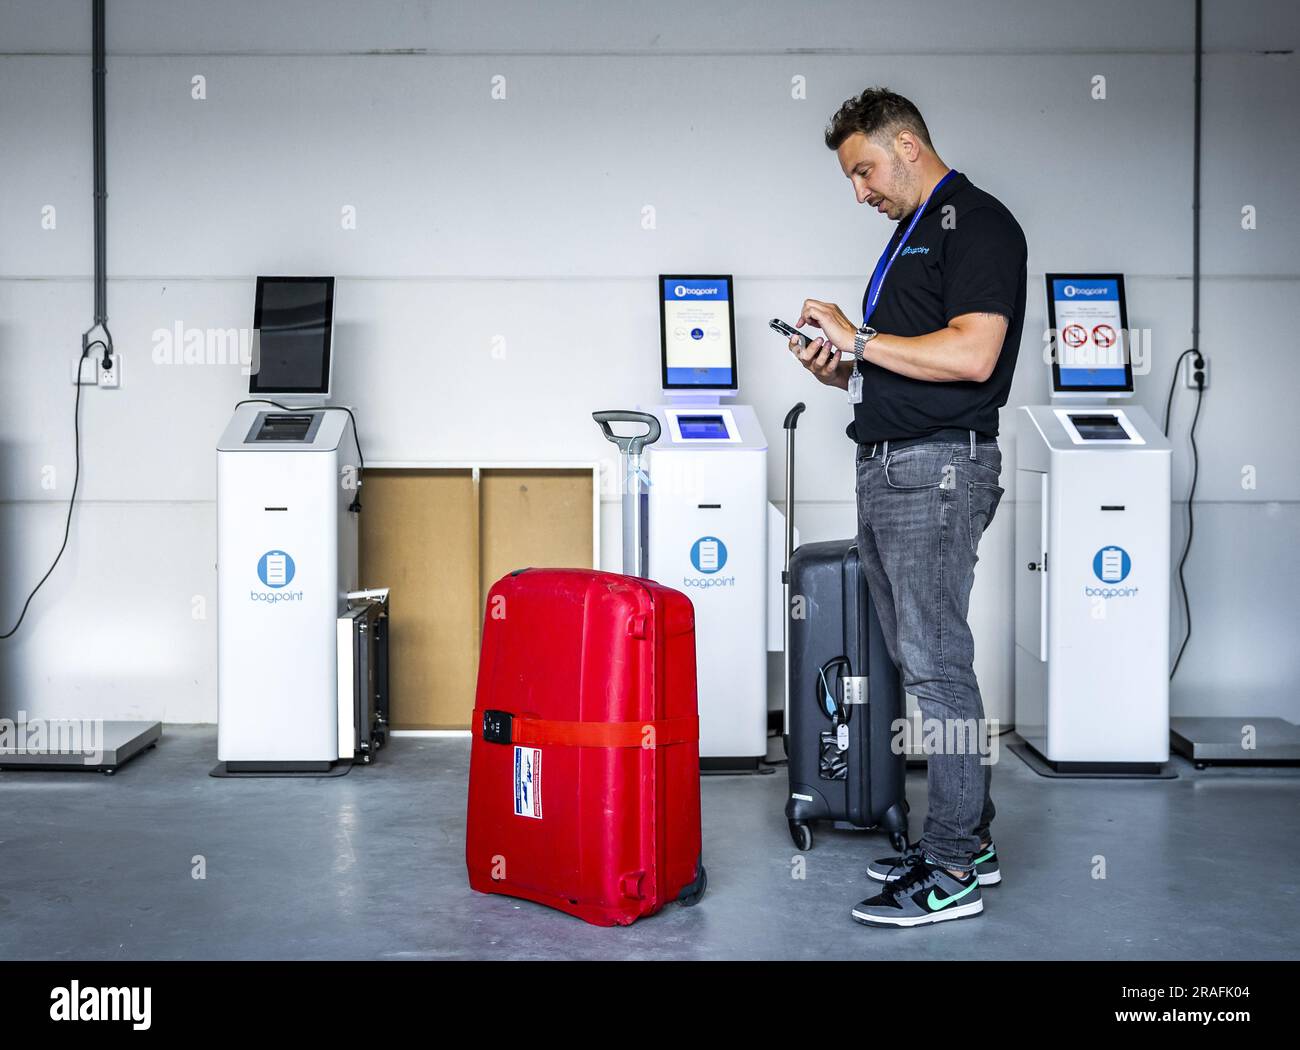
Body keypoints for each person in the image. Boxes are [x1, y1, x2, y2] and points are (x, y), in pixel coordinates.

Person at [789, 87, 1026, 928]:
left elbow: (973, 353)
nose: (860, 191)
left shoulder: (978, 222)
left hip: (938, 474)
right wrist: (842, 366)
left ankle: (954, 867)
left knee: (938, 668)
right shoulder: (910, 236)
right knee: (917, 658)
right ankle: (975, 840)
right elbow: (905, 360)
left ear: (906, 144)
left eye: (863, 170)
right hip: (893, 469)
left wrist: (859, 338)